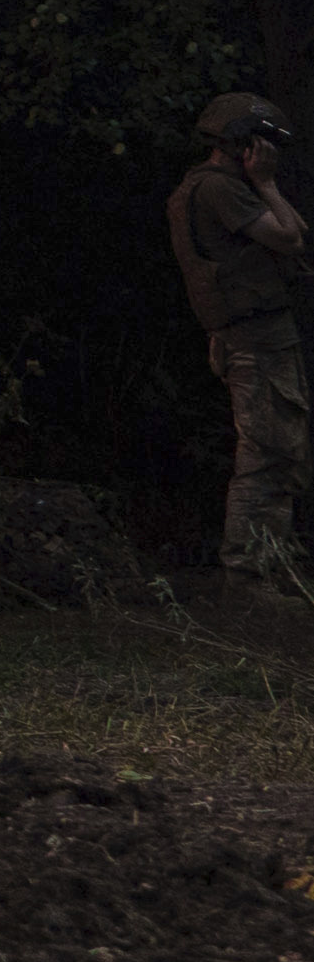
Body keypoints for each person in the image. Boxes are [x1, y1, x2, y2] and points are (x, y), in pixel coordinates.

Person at [181, 90, 312, 589]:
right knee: (266, 456)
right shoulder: (219, 188)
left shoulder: (218, 185)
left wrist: (263, 186)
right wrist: (266, 182)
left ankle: (271, 566)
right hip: (255, 338)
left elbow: (296, 226)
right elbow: (290, 238)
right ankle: (249, 576)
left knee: (280, 451)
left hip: (256, 335)